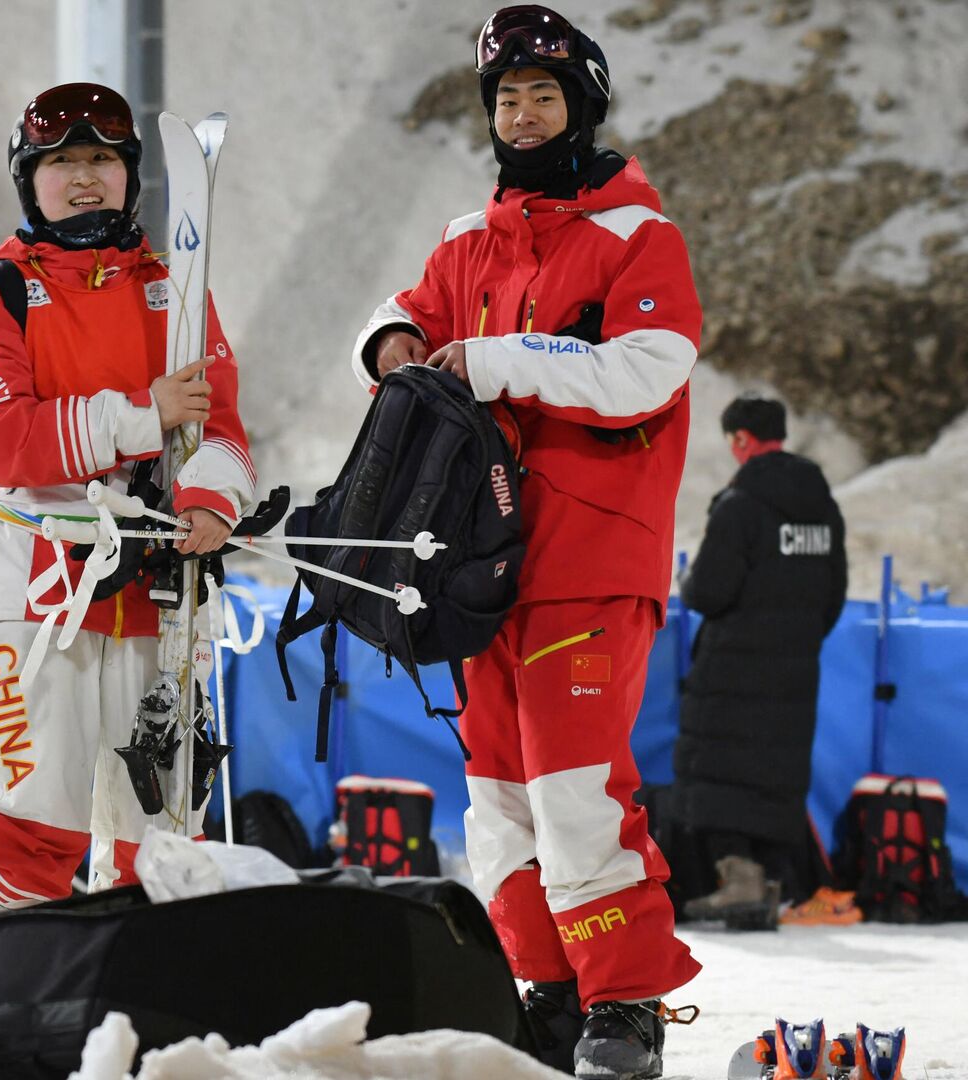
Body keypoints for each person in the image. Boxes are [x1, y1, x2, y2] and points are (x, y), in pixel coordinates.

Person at [349, 7, 702, 1077]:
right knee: (497, 795)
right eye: (507, 98)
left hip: (589, 554)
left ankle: (625, 1003)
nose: (523, 113)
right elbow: (399, 316)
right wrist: (392, 339)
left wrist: (500, 359)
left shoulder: (642, 237)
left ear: (583, 103)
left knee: (574, 784)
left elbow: (650, 368)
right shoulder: (468, 239)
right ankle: (549, 992)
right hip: (476, 564)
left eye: (544, 95)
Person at [0, 83, 256, 934]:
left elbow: (221, 426)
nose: (86, 179)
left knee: (156, 832)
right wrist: (143, 415)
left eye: (104, 161)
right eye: (64, 163)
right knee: (30, 815)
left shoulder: (173, 291)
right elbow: (5, 441)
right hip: (38, 590)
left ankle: (140, 1008)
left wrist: (212, 503)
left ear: (129, 178)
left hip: (156, 586)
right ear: (29, 181)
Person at [672, 394, 847, 922]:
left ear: (741, 439)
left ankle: (739, 880)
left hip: (733, 669)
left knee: (720, 767)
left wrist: (686, 581)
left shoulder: (740, 505)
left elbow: (708, 592)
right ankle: (769, 884)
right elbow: (835, 591)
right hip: (796, 666)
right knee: (776, 769)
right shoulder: (822, 506)